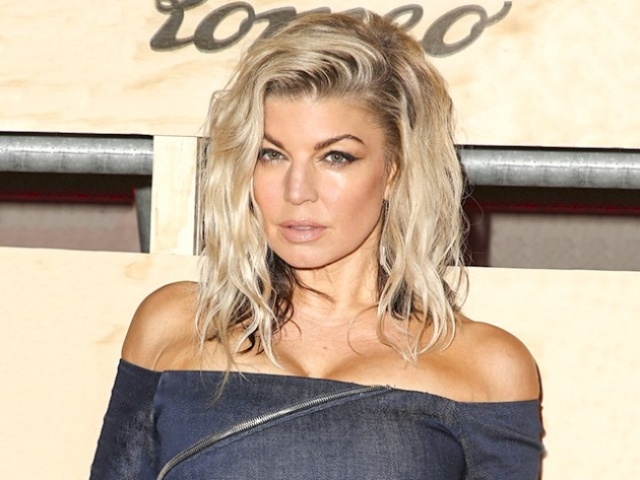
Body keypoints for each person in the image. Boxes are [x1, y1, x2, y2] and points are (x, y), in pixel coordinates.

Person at [90, 11, 543, 480]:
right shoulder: (174, 324)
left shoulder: (484, 367)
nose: (297, 191)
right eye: (272, 154)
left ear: (394, 170)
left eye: (335, 157)